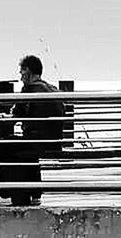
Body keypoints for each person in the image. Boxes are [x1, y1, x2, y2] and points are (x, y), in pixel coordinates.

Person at [0, 55, 64, 206]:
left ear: (28, 71)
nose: (20, 76)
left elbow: (16, 116)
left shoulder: (30, 89)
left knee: (5, 146)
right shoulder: (52, 89)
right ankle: (34, 193)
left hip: (37, 142)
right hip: (54, 142)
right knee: (23, 149)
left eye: (22, 72)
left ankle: (15, 194)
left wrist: (5, 116)